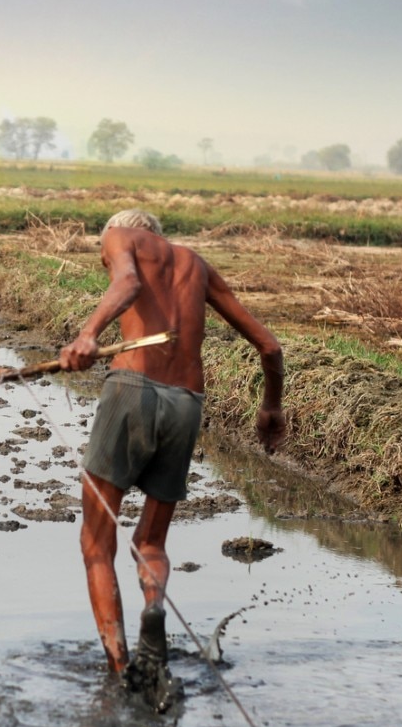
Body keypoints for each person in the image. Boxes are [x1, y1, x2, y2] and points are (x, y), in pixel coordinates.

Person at [58, 209, 287, 686]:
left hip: (132, 388)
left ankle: (121, 667)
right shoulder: (197, 265)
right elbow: (270, 347)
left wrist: (88, 334)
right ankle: (155, 610)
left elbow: (127, 286)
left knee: (96, 542)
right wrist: (270, 408)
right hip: (187, 403)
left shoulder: (120, 237)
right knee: (150, 541)